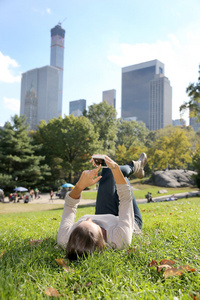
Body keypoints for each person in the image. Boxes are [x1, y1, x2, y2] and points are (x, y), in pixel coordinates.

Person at [57, 153, 147, 260]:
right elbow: (125, 197)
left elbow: (69, 205)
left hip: (106, 215)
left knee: (107, 171)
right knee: (117, 174)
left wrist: (80, 186)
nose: (89, 218)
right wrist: (115, 169)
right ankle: (135, 166)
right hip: (130, 222)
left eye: (80, 224)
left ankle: (134, 167)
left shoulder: (65, 238)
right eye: (93, 223)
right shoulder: (120, 240)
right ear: (102, 239)